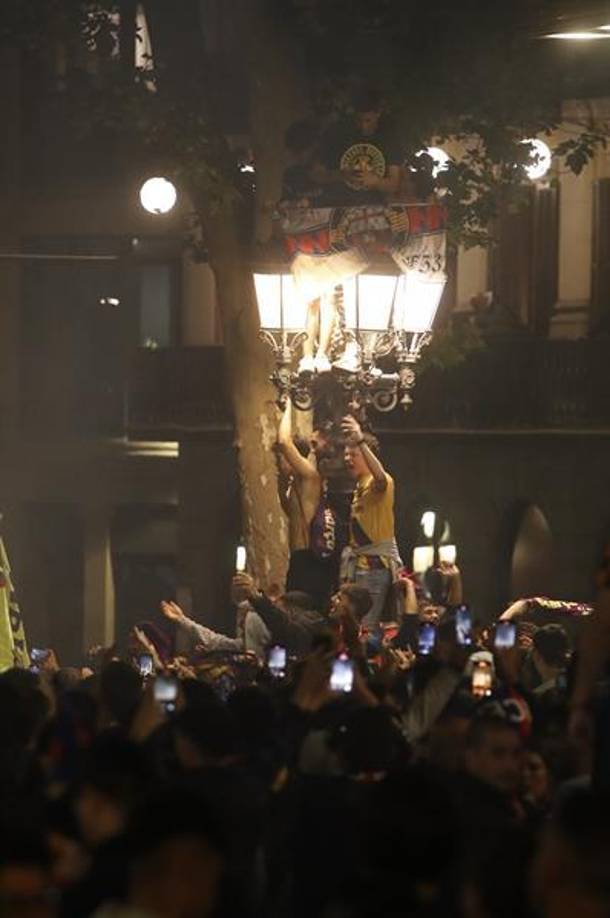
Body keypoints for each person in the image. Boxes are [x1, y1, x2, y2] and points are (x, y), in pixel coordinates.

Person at [340, 414, 402, 628]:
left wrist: (360, 441)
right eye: (346, 454)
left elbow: (381, 479)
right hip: (359, 564)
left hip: (374, 567)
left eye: (354, 454)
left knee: (365, 626)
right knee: (353, 624)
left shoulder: (380, 482)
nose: (348, 459)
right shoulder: (359, 486)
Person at [311, 88, 402, 207]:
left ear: (378, 114)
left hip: (373, 209)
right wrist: (341, 175)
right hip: (337, 205)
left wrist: (376, 181)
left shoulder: (388, 137)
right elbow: (315, 174)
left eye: (368, 120)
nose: (363, 126)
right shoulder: (337, 132)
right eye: (358, 120)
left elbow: (394, 184)